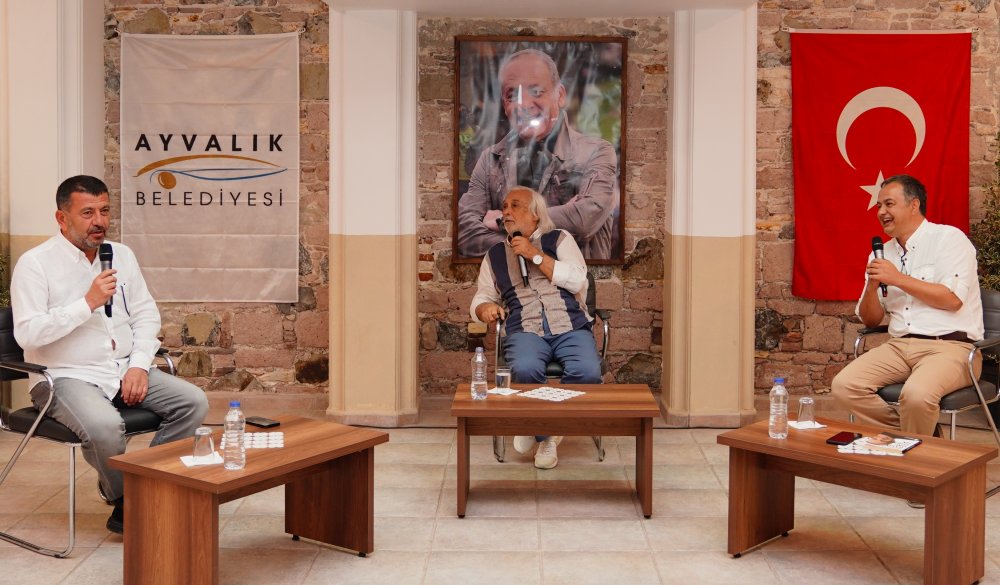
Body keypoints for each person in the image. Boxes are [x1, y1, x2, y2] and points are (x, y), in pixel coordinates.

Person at [10, 175, 209, 535]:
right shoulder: (35, 264)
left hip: (121, 369)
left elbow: (146, 315)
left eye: (104, 211)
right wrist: (87, 303)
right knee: (104, 427)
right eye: (87, 213)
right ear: (61, 218)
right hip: (63, 376)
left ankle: (144, 487)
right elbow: (28, 333)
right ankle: (128, 499)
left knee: (193, 403)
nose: (99, 221)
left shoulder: (121, 255)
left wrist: (139, 367)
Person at [831, 174, 983, 440]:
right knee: (845, 385)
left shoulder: (948, 239)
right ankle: (917, 438)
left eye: (889, 204)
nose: (881, 212)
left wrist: (896, 278)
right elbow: (870, 320)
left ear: (914, 205)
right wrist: (872, 287)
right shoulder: (881, 254)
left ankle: (913, 450)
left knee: (916, 395)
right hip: (899, 346)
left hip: (951, 347)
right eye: (879, 206)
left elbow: (952, 300)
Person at [470, 186, 602, 469]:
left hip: (569, 325)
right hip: (524, 328)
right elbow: (482, 297)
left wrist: (535, 255)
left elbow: (578, 280)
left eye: (515, 206)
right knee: (525, 369)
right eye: (504, 206)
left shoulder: (560, 238)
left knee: (588, 373)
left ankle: (540, 429)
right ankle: (548, 437)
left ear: (535, 215)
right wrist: (484, 309)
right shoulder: (494, 255)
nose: (506, 212)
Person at [457, 48, 619, 260]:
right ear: (505, 105)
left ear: (560, 95)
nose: (523, 105)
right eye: (512, 95)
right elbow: (465, 234)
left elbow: (583, 220)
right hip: (511, 281)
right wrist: (539, 238)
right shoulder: (490, 159)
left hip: (577, 282)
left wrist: (503, 222)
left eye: (536, 92)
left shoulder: (596, 152)